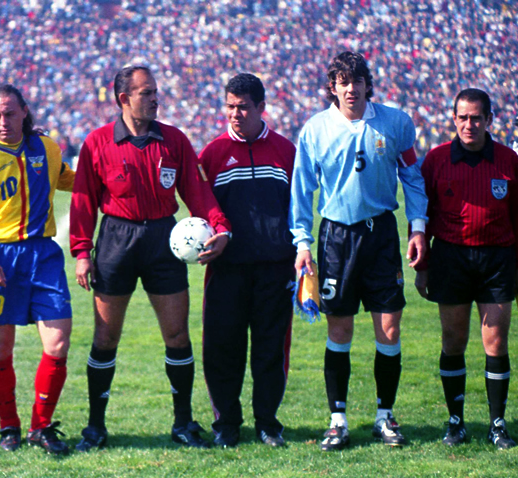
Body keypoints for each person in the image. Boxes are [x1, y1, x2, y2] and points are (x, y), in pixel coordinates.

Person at [70, 65, 231, 451]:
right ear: (124, 99)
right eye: (146, 93)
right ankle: (95, 427)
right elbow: (82, 202)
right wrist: (81, 252)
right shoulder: (97, 142)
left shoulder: (174, 140)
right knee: (106, 337)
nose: (155, 98)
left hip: (164, 239)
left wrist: (219, 226)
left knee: (177, 335)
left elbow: (197, 191)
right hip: (115, 241)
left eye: (156, 91)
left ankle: (183, 424)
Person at [291, 52, 428, 451]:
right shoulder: (315, 130)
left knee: (389, 328)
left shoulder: (396, 122)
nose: (351, 88)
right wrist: (302, 243)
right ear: (332, 86)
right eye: (342, 81)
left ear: (369, 83)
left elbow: (413, 178)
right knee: (340, 329)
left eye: (357, 80)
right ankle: (338, 420)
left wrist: (417, 228)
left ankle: (385, 416)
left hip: (382, 234)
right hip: (336, 238)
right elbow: (301, 191)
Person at [0, 84, 75, 455]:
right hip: (0, 260)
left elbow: (75, 180)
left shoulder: (47, 148)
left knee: (57, 344)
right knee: (1, 348)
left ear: (24, 111)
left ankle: (41, 426)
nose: (3, 121)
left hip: (44, 256)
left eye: (9, 113)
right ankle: (9, 426)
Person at [415, 89, 518, 450]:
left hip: (498, 259)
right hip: (451, 258)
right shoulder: (437, 159)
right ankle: (456, 421)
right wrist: (423, 265)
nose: (469, 124)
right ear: (453, 119)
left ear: (489, 120)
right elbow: (421, 218)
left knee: (495, 342)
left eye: (476, 118)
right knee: (453, 341)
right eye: (463, 117)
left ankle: (497, 423)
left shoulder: (508, 160)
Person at [198, 73, 295, 448]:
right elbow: (202, 208)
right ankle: (226, 424)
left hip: (276, 267)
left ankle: (268, 423)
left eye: (243, 107)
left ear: (261, 108)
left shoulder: (286, 150)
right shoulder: (213, 153)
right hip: (227, 269)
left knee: (271, 349)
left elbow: (299, 208)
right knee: (223, 348)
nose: (235, 114)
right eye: (230, 106)